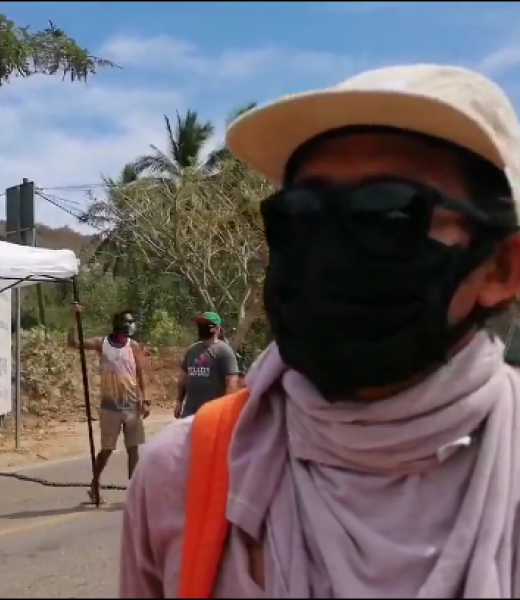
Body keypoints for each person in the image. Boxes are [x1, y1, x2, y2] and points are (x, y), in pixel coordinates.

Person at [120, 64, 520, 598]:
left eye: (389, 217)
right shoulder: (181, 473)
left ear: (501, 268)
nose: (332, 250)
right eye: (302, 217)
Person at [68, 305, 149, 504]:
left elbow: (139, 373)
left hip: (131, 405)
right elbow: (73, 343)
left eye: (132, 321)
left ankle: (134, 490)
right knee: (107, 449)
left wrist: (144, 399)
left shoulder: (134, 346)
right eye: (127, 322)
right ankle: (95, 485)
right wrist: (74, 318)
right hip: (110, 407)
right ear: (118, 324)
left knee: (133, 449)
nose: (130, 325)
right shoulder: (102, 343)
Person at [174, 312, 239, 419]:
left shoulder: (224, 351)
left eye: (205, 324)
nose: (202, 327)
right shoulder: (192, 350)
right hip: (190, 412)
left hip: (213, 414)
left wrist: (227, 410)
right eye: (200, 324)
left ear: (217, 329)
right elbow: (182, 380)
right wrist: (179, 401)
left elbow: (231, 383)